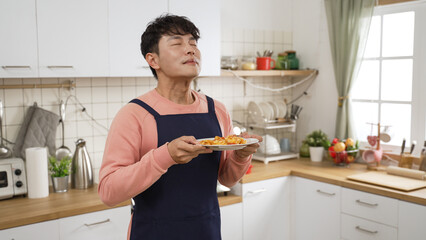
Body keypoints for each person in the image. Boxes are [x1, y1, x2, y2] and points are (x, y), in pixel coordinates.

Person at [98, 14, 262, 240]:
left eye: (193, 43)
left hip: (207, 231)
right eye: (177, 43)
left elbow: (226, 179)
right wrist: (164, 156)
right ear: (152, 60)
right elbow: (108, 191)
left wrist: (241, 156)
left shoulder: (217, 110)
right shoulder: (135, 114)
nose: (190, 49)